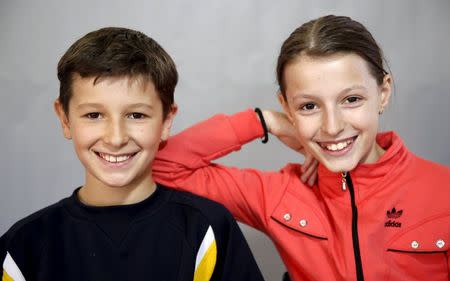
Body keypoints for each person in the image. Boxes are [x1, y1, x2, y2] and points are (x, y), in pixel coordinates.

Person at [153, 15, 450, 281]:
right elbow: (160, 166)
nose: (332, 126)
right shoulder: (280, 196)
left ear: (383, 93)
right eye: (309, 106)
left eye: (351, 100)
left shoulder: (443, 191)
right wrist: (266, 121)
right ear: (286, 107)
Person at [0, 27, 264, 281]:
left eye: (136, 115)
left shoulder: (206, 230)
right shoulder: (24, 246)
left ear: (166, 121)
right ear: (65, 119)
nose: (116, 138)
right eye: (94, 115)